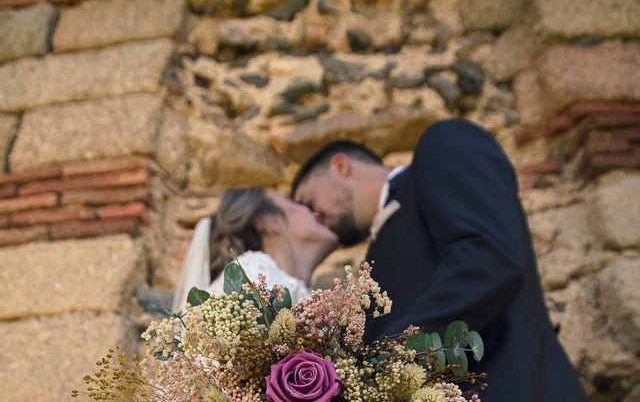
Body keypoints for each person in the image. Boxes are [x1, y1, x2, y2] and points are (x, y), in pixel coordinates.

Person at [290, 119, 588, 401]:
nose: (312, 217)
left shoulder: (442, 144)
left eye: (307, 202)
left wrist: (384, 365)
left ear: (340, 166)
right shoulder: (373, 259)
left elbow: (488, 258)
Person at [172, 187, 338, 311]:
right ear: (266, 221)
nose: (316, 212)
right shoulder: (252, 275)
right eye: (300, 204)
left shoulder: (262, 278)